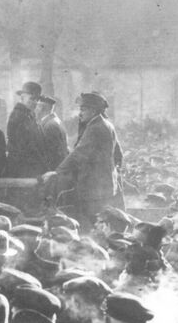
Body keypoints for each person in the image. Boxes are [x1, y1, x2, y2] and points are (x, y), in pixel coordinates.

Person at [45, 92, 124, 228]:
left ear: (92, 111)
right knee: (102, 221)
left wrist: (57, 172)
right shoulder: (107, 124)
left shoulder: (95, 127)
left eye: (83, 109)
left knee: (93, 223)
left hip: (94, 188)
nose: (80, 113)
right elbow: (118, 154)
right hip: (106, 185)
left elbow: (79, 153)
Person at [6, 81, 47, 178]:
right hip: (23, 169)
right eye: (32, 99)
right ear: (22, 97)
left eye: (37, 99)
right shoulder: (18, 116)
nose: (35, 102)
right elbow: (25, 147)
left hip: (32, 167)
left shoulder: (29, 115)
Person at [37, 95, 69, 170]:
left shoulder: (49, 126)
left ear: (41, 108)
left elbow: (52, 155)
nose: (35, 109)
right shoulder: (55, 121)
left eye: (37, 106)